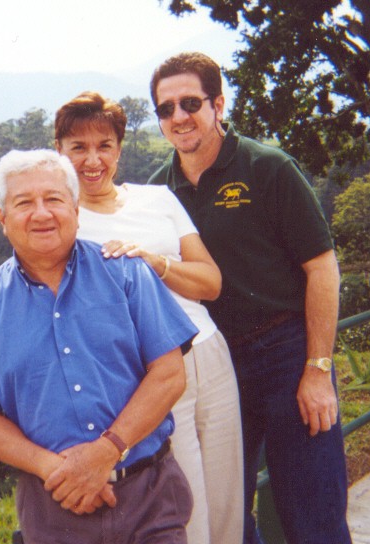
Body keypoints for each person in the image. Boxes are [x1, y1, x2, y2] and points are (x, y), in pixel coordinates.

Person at [148, 51, 350, 544]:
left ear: (218, 104)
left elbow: (322, 268)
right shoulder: (157, 194)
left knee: (312, 513)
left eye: (190, 102)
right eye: (165, 108)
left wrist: (317, 371)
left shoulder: (267, 168)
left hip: (287, 354)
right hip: (215, 364)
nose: (178, 117)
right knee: (225, 518)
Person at [0, 149, 198, 544]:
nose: (42, 213)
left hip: (149, 497)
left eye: (54, 199)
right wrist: (55, 468)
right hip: (54, 509)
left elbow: (169, 375)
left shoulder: (127, 271)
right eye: (24, 203)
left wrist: (105, 452)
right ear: (2, 219)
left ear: (76, 208)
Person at [54, 90, 244, 544]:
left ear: (120, 149)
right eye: (78, 148)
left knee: (229, 501)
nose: (92, 160)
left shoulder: (158, 198)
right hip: (150, 374)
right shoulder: (63, 221)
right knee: (186, 508)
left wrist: (154, 262)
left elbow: (210, 282)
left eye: (104, 146)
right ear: (59, 152)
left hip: (209, 351)